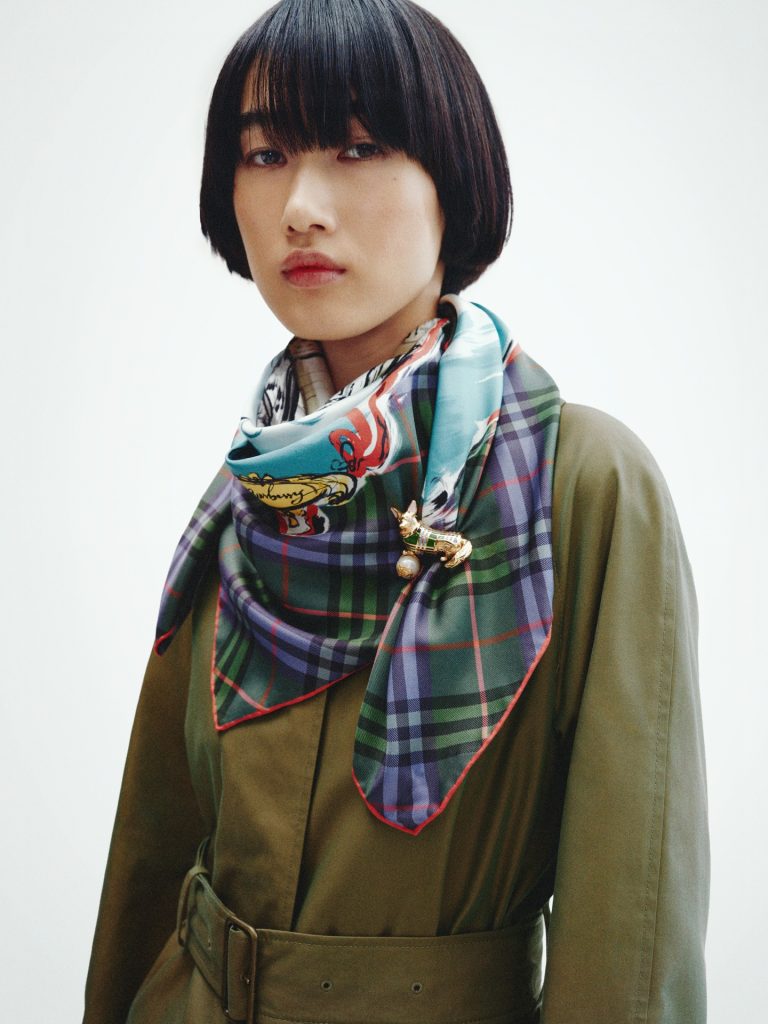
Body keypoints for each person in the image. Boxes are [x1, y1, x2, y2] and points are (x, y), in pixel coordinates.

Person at [83, 1, 709, 1021]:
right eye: (265, 154)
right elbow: (151, 851)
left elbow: (628, 932)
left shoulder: (579, 484)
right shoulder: (246, 490)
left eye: (359, 146)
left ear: (453, 180)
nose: (301, 206)